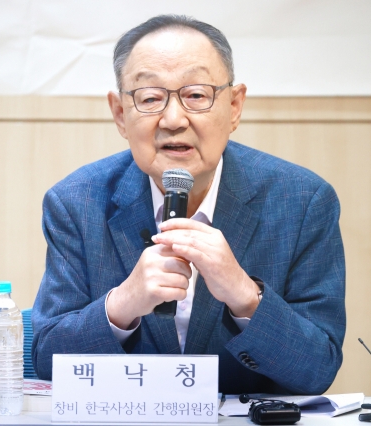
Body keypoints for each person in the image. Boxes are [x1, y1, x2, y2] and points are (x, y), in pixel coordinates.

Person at [31, 14, 346, 395]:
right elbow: (48, 363)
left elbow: (318, 370)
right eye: (150, 98)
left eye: (196, 95)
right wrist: (122, 305)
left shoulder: (302, 202)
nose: (174, 119)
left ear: (233, 107)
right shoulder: (75, 203)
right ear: (119, 114)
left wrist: (246, 297)